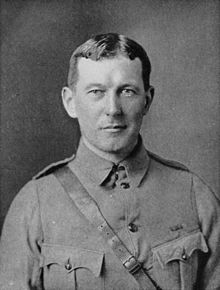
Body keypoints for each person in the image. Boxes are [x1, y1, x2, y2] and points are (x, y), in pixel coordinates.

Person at [0, 33, 219, 290]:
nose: (113, 109)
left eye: (127, 91)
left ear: (147, 100)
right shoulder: (33, 204)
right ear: (70, 102)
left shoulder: (194, 195)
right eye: (96, 92)